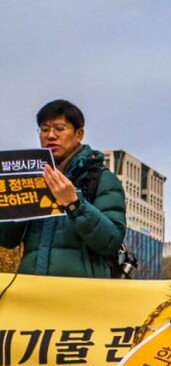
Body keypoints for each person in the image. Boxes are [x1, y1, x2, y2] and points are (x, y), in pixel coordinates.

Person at [0, 99, 126, 278]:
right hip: (31, 294)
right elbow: (7, 240)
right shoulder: (31, 176)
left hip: (80, 297)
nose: (51, 135)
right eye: (44, 129)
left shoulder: (100, 178)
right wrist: (13, 203)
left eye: (60, 128)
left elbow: (110, 241)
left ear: (79, 134)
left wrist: (74, 204)